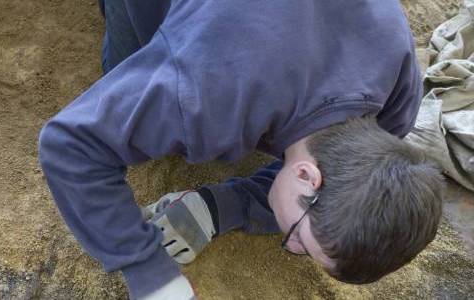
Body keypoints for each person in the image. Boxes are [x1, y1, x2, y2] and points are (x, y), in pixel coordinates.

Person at [37, 0, 445, 299]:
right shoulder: (209, 92)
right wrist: (152, 277)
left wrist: (221, 207)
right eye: (298, 240)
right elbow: (71, 145)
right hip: (228, 44)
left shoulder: (396, 100)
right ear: (307, 176)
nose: (291, 245)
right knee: (125, 78)